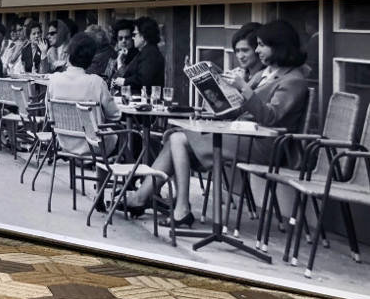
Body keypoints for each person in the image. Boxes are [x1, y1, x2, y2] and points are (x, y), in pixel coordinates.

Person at [127, 19, 310, 227]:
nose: (257, 50)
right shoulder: (265, 74)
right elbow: (238, 108)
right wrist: (217, 88)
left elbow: (271, 117)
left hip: (266, 144)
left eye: (261, 45)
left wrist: (243, 88)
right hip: (246, 136)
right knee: (175, 136)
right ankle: (149, 199)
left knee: (177, 138)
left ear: (279, 46)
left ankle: (170, 205)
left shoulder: (293, 80)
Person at [46, 33, 122, 211]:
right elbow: (115, 115)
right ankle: (108, 192)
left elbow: (50, 114)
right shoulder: (96, 82)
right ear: (91, 58)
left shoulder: (54, 80)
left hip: (64, 143)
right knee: (113, 135)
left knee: (101, 134)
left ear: (69, 54)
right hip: (94, 147)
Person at [113, 17, 165, 96]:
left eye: (135, 34)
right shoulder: (146, 52)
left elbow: (144, 79)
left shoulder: (150, 53)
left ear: (143, 36)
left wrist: (124, 81)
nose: (133, 38)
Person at [108, 19, 138, 85]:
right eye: (120, 38)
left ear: (132, 38)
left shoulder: (137, 56)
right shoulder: (114, 55)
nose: (124, 41)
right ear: (117, 40)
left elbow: (126, 79)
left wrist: (120, 62)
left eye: (127, 38)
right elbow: (108, 78)